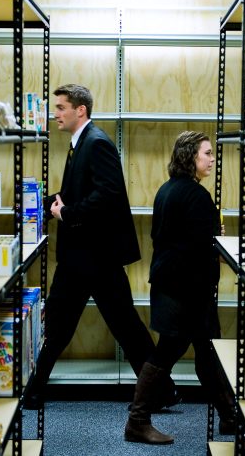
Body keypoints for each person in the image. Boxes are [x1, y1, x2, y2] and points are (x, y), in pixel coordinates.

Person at [23, 84, 177, 410]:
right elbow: (75, 193)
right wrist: (42, 204)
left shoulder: (96, 144)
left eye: (62, 107)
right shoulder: (81, 144)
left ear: (81, 110)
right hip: (89, 257)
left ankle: (34, 391)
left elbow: (108, 195)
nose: (56, 114)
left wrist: (65, 213)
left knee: (69, 326)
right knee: (117, 326)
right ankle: (162, 391)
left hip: (91, 258)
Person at [124, 131, 235, 445]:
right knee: (169, 352)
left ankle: (229, 416)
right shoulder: (197, 196)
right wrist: (218, 238)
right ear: (190, 157)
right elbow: (206, 247)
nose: (212, 159)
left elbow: (176, 238)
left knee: (207, 351)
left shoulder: (167, 190)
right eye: (207, 154)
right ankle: (137, 422)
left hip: (173, 285)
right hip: (186, 290)